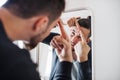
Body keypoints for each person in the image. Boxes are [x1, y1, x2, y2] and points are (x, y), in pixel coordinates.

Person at [0, 0, 74, 80]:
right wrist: (66, 60)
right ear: (42, 23)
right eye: (52, 27)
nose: (48, 33)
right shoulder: (15, 63)